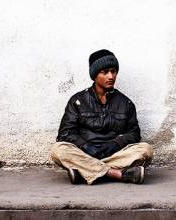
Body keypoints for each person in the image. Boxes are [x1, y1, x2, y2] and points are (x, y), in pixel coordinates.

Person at [50, 49, 153, 185]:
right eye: (104, 72)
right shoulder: (78, 101)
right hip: (84, 153)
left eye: (113, 71)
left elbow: (134, 134)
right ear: (94, 75)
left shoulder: (125, 103)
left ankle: (85, 172)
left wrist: (114, 144)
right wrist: (85, 146)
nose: (110, 76)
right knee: (57, 150)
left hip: (114, 154)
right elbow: (65, 133)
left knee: (146, 150)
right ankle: (116, 174)